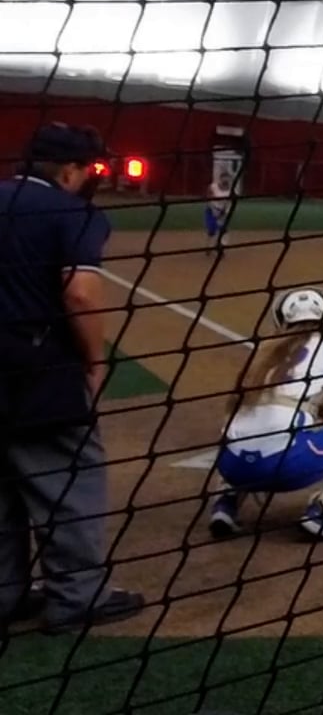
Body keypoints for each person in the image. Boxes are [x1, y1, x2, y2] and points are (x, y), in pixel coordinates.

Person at [0, 123, 145, 633]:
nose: (92, 177)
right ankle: (77, 597)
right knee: (69, 481)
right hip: (38, 370)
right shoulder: (72, 212)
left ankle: (5, 595)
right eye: (89, 168)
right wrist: (95, 360)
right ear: (68, 170)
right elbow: (79, 292)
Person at [208, 289, 323, 542]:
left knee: (244, 434)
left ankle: (225, 505)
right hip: (286, 467)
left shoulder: (261, 354)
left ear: (280, 319)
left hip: (231, 466)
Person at [204, 172, 232, 253]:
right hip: (211, 210)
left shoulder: (230, 191)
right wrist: (212, 207)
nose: (225, 180)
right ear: (220, 179)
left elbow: (228, 204)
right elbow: (208, 197)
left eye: (227, 179)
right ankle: (208, 246)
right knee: (212, 229)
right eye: (224, 178)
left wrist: (223, 213)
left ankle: (219, 246)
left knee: (223, 230)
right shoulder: (213, 187)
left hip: (222, 212)